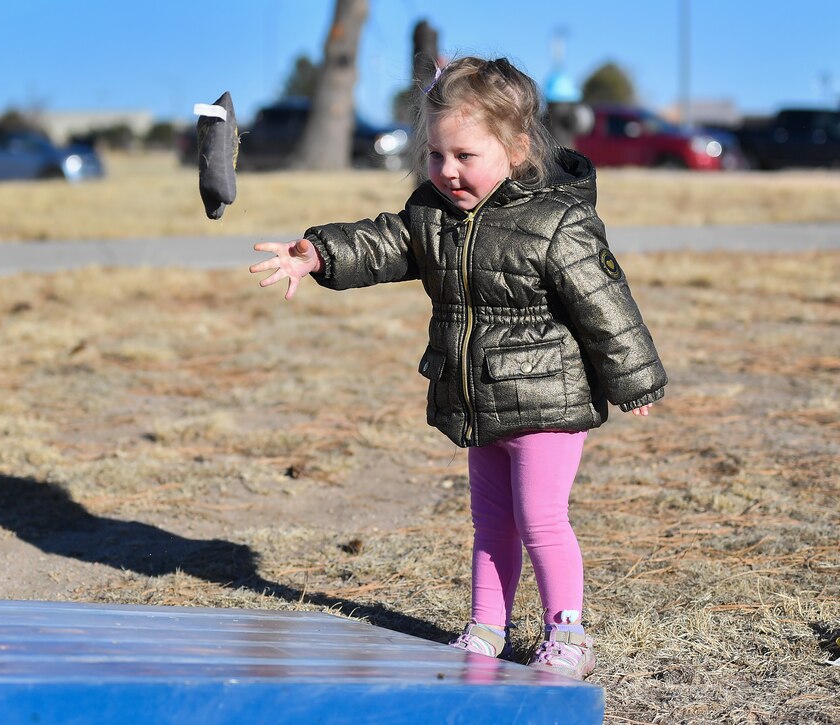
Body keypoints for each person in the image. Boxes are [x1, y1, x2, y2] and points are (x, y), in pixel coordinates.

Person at [249, 55, 666, 680]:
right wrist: (318, 254)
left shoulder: (557, 222)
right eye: (436, 155)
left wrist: (636, 380)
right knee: (491, 521)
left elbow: (606, 304)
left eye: (466, 156)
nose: (447, 172)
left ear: (517, 148)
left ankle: (568, 633)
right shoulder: (434, 212)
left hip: (547, 402)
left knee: (541, 518)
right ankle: (486, 628)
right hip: (477, 398)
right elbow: (386, 241)